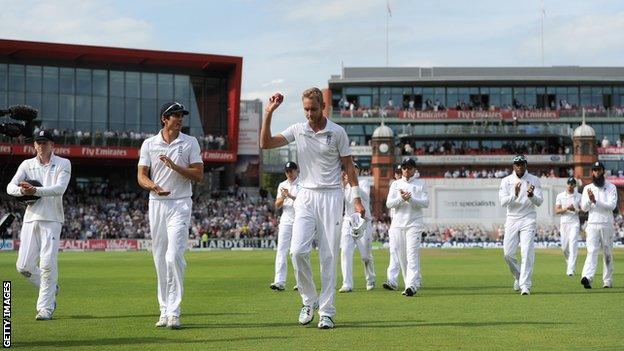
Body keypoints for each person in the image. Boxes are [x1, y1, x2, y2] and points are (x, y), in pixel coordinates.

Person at [260, 88, 364, 329]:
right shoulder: (298, 129)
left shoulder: (337, 132)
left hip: (331, 195)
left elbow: (349, 167)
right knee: (297, 251)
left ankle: (327, 311)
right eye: (305, 109)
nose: (309, 113)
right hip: (305, 196)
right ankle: (309, 301)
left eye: (313, 109)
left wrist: (356, 199)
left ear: (323, 106)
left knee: (328, 256)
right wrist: (269, 113)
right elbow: (265, 143)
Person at [137, 101, 204, 329]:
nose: (180, 118)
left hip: (180, 203)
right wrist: (153, 186)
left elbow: (199, 175)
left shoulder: (190, 142)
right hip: (156, 203)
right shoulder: (149, 144)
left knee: (173, 256)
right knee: (159, 258)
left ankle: (174, 312)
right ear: (164, 119)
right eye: (175, 115)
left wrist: (175, 167)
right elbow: (142, 176)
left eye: (181, 115)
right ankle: (164, 310)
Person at [7, 130, 71, 320]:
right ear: (34, 145)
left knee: (47, 264)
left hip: (52, 219)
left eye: (45, 143)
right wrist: (23, 191)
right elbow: (10, 187)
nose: (41, 146)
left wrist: (35, 190)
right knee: (23, 266)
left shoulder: (63, 163)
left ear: (53, 145)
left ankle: (45, 308)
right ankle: (51, 287)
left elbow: (60, 189)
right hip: (30, 218)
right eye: (38, 143)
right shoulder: (27, 164)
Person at [498, 155, 543, 296]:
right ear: (513, 166)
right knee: (508, 254)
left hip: (528, 218)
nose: (519, 166)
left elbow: (539, 201)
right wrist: (515, 195)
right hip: (512, 219)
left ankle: (525, 285)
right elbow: (503, 202)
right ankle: (518, 276)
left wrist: (531, 196)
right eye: (517, 164)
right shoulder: (506, 181)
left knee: (527, 252)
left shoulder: (534, 180)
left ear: (525, 165)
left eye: (521, 164)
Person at [385, 158, 429, 297]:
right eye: (404, 168)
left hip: (414, 224)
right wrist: (401, 199)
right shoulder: (396, 184)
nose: (406, 170)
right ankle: (409, 284)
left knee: (412, 255)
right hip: (398, 224)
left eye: (409, 168)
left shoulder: (421, 184)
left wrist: (410, 200)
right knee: (401, 256)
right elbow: (389, 204)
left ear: (414, 169)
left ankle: (411, 285)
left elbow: (425, 203)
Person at [579, 162, 617, 289]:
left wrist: (596, 201)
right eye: (595, 170)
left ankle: (607, 280)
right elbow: (583, 208)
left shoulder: (611, 187)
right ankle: (587, 278)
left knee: (607, 253)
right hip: (592, 223)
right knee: (592, 251)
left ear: (603, 171)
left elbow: (611, 205)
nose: (597, 172)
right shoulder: (587, 188)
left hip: (606, 223)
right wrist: (590, 200)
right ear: (593, 172)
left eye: (599, 170)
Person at [339, 163, 375, 293]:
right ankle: (347, 283)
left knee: (365, 255)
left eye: (354, 168)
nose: (352, 170)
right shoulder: (343, 186)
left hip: (363, 221)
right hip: (348, 221)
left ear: (358, 171)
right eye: (350, 168)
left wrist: (352, 184)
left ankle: (370, 278)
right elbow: (338, 200)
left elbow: (364, 196)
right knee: (345, 252)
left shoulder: (364, 182)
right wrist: (343, 186)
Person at [270, 161, 300, 291]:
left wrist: (290, 196)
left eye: (291, 171)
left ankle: (301, 282)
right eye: (287, 171)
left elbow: (304, 201)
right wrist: (282, 197)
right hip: (286, 219)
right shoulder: (282, 185)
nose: (288, 173)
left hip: (299, 219)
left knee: (297, 251)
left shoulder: (302, 184)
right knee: (281, 250)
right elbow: (277, 205)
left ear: (296, 171)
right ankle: (279, 281)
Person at [554, 177, 581, 276]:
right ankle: (569, 263)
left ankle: (571, 269)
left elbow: (583, 211)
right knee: (564, 247)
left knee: (573, 244)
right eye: (569, 184)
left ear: (575, 185)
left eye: (572, 184)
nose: (570, 186)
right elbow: (557, 211)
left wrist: (575, 210)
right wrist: (566, 208)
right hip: (564, 223)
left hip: (574, 222)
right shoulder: (560, 196)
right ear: (566, 184)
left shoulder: (579, 196)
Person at [382, 164, 402, 291]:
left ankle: (415, 279)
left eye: (400, 172)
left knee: (410, 254)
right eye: (397, 173)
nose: (399, 175)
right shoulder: (394, 186)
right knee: (393, 251)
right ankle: (392, 280)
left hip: (409, 223)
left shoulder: (413, 185)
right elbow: (389, 204)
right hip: (395, 222)